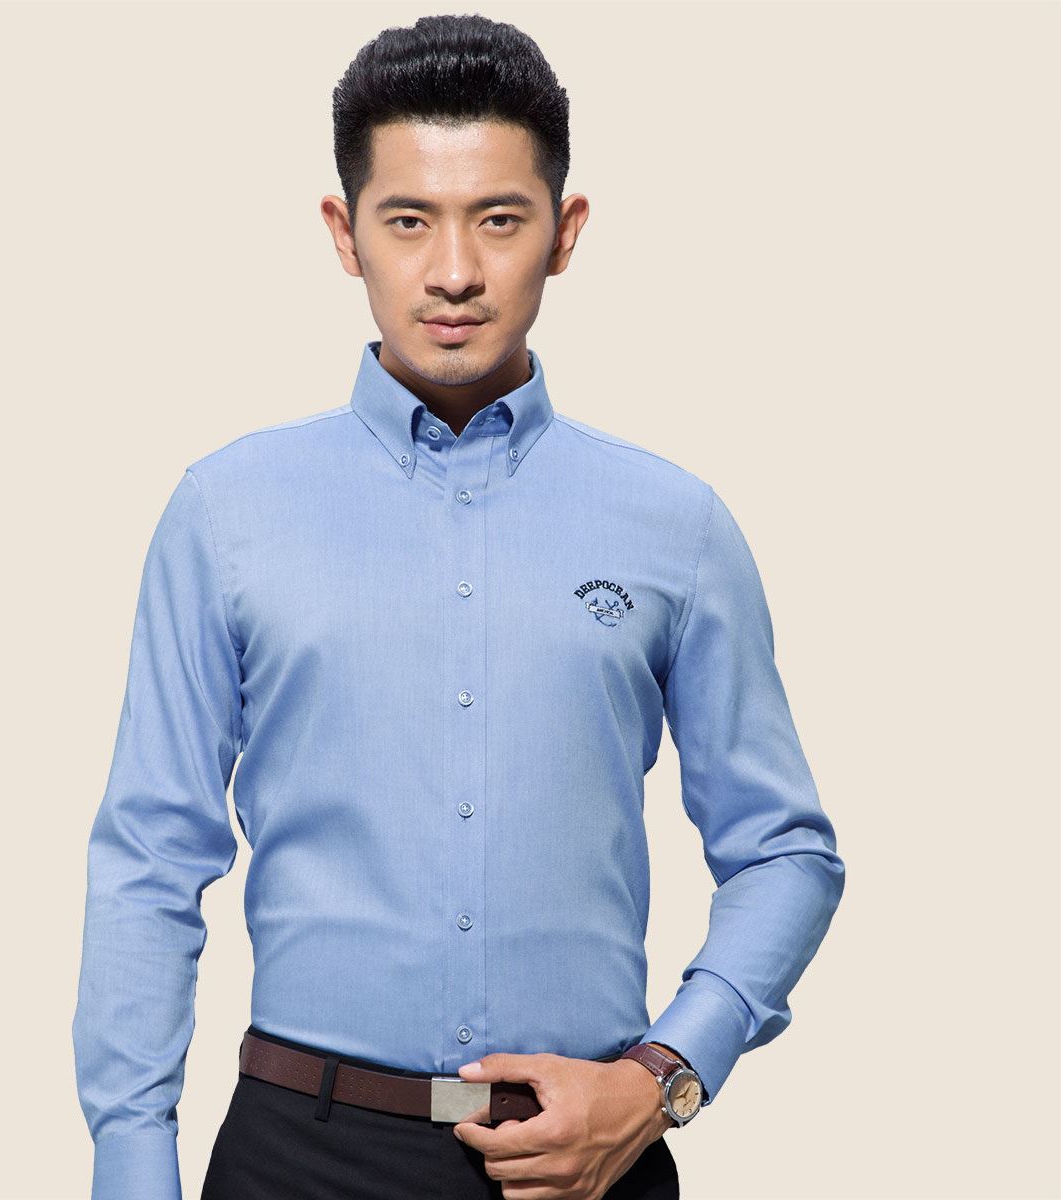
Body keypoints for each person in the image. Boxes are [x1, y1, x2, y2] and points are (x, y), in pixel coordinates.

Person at [71, 14, 846, 1200]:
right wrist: (132, 1169)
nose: (452, 273)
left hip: (589, 1159)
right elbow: (149, 858)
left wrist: (662, 1079)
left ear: (564, 232)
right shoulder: (225, 513)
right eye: (408, 220)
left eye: (498, 219)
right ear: (345, 233)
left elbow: (784, 850)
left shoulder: (676, 526)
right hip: (299, 1159)